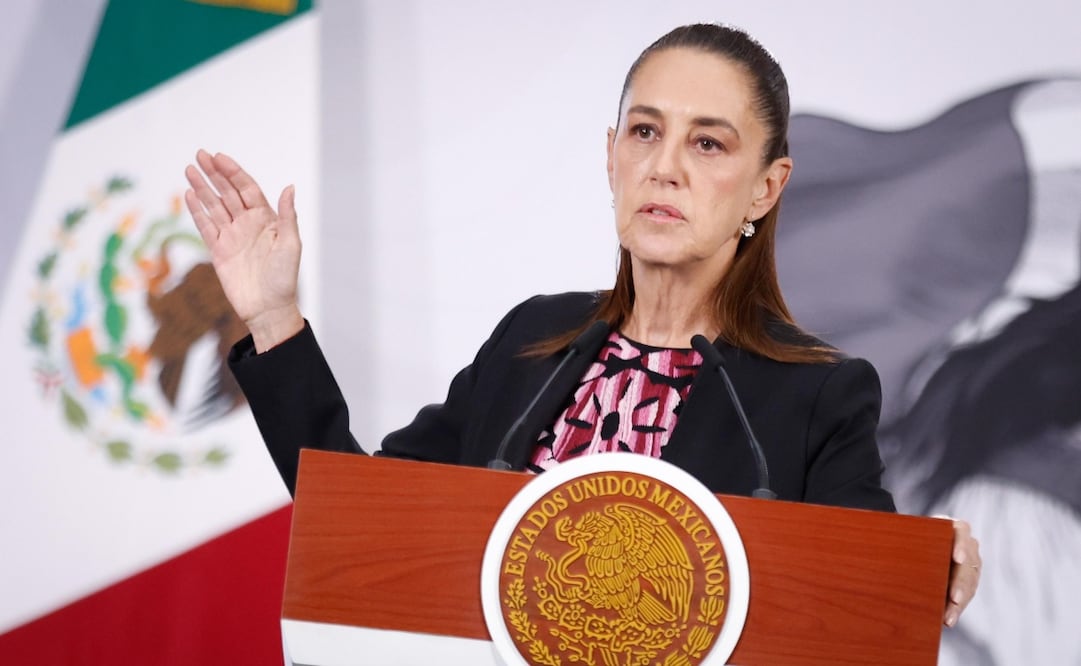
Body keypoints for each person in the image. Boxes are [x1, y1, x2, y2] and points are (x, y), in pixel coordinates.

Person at [183, 23, 979, 628]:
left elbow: (861, 598)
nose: (664, 166)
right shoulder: (533, 342)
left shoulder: (818, 393)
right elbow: (357, 518)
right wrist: (274, 316)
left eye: (707, 143)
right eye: (644, 131)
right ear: (611, 158)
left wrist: (932, 565)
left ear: (765, 190)